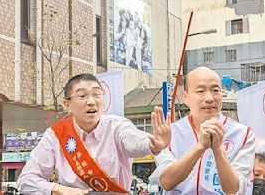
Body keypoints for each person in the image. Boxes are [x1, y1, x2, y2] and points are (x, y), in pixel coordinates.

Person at [17, 73, 171, 195]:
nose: (91, 101)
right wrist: (57, 189)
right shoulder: (56, 135)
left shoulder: (117, 126)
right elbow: (25, 180)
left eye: (97, 94)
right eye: (82, 96)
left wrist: (152, 145)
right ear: (67, 104)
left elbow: (132, 142)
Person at [149, 67, 255, 194]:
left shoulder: (243, 134)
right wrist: (200, 147)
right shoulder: (170, 134)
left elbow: (234, 190)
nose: (209, 98)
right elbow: (166, 182)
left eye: (216, 90)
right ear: (185, 97)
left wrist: (217, 148)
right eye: (200, 91)